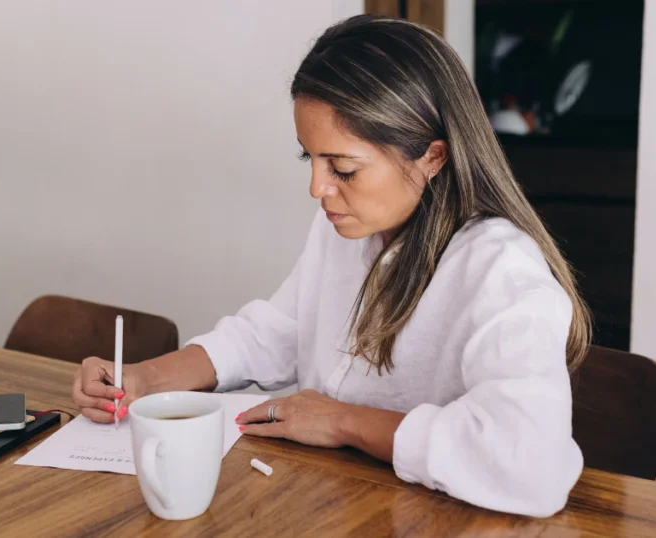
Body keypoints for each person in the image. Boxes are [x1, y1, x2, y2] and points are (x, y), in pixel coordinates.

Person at [72, 14, 591, 518]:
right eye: (310, 159)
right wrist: (146, 379)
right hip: (332, 503)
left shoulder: (500, 269)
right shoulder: (345, 225)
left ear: (433, 158)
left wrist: (344, 422)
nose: (318, 189)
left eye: (343, 168)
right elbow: (276, 332)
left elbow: (532, 465)